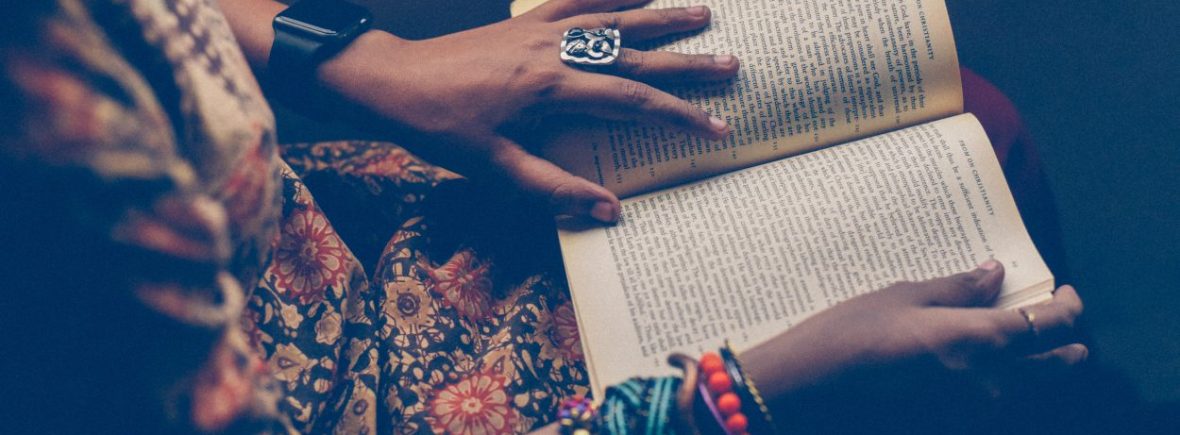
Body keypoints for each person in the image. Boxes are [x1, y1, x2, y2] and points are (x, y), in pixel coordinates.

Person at [0, 0, 1085, 433]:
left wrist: (373, 63)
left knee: (973, 123)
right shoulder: (59, 199)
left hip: (353, 213)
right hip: (386, 408)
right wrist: (743, 391)